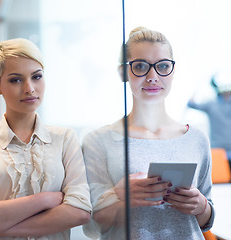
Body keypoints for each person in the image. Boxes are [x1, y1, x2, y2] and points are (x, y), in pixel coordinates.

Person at [82, 27, 215, 239]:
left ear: (173, 71)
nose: (153, 77)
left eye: (163, 66)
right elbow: (92, 226)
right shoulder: (98, 141)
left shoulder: (196, 139)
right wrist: (117, 196)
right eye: (141, 66)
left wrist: (200, 206)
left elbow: (205, 222)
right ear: (123, 72)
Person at [0, 38, 91, 240]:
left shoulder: (65, 139)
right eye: (16, 79)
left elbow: (80, 211)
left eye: (36, 77)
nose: (29, 88)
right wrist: (45, 200)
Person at [188, 76, 231, 183]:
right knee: (218, 188)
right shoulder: (211, 104)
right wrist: (201, 85)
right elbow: (191, 104)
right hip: (218, 155)